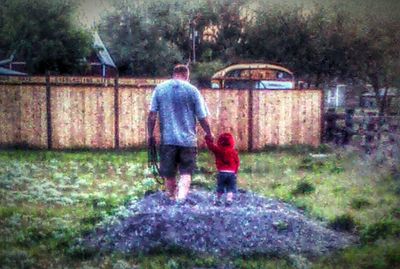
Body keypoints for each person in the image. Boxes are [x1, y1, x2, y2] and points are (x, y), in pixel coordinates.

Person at [147, 64, 212, 203]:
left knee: (169, 173)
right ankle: (181, 199)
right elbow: (202, 117)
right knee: (186, 172)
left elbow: (152, 115)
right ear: (187, 76)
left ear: (174, 74)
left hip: (168, 140)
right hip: (188, 141)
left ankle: (171, 198)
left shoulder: (160, 89)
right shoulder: (193, 91)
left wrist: (150, 135)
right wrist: (209, 133)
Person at [205, 133, 240, 206]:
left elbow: (211, 147)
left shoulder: (218, 150)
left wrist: (207, 139)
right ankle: (229, 200)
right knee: (230, 187)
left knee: (220, 186)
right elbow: (237, 162)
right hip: (231, 173)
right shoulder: (234, 152)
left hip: (222, 172)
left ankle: (218, 200)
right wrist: (235, 171)